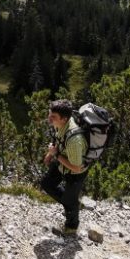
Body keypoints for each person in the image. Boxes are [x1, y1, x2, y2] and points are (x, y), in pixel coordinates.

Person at [40, 99, 88, 237]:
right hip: (62, 160)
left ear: (64, 119)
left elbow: (77, 168)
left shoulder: (74, 140)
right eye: (49, 114)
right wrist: (50, 154)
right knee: (46, 183)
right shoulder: (61, 124)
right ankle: (70, 202)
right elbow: (58, 139)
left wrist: (56, 155)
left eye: (53, 117)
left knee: (69, 202)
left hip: (76, 172)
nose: (49, 118)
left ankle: (71, 228)